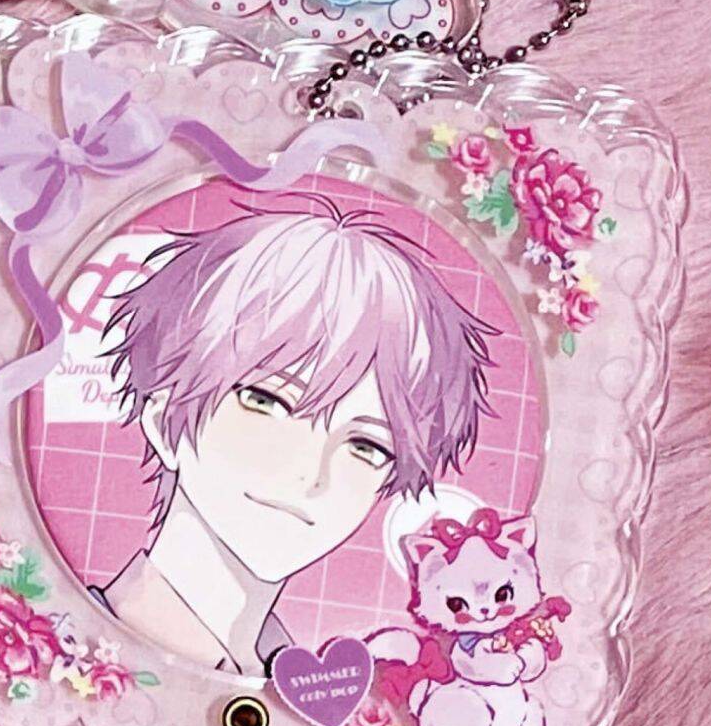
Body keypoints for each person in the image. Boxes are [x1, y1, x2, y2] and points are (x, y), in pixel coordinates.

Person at [98, 199, 496, 673]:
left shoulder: (293, 669)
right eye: (266, 402)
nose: (312, 472)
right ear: (165, 420)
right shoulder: (88, 637)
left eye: (367, 446)